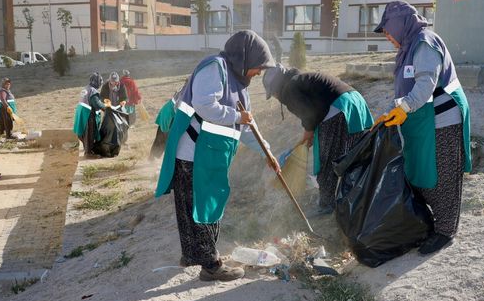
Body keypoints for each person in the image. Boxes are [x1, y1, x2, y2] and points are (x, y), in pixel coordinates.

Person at [155, 30, 281, 282]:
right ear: (245, 58)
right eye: (258, 67)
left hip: (210, 155)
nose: (258, 73)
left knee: (197, 204)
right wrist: (237, 116)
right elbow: (204, 105)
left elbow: (246, 129)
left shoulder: (240, 88)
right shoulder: (216, 68)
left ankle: (194, 254)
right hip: (193, 152)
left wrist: (268, 152)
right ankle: (211, 265)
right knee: (202, 205)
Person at [373, 1, 472, 255]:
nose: (387, 37)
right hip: (422, 119)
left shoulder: (425, 43)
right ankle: (430, 224)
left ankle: (446, 231)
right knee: (420, 171)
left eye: (387, 31)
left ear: (398, 24)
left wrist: (403, 108)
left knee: (442, 174)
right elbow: (406, 87)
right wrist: (390, 112)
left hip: (443, 119)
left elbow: (426, 83)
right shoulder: (408, 47)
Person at [262, 66, 373, 212]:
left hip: (338, 107)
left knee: (326, 158)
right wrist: (309, 134)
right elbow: (315, 108)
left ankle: (327, 205)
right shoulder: (300, 80)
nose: (276, 97)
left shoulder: (289, 89)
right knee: (352, 154)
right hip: (355, 101)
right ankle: (355, 199)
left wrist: (308, 133)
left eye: (273, 93)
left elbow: (311, 115)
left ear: (277, 86)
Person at [73, 72, 105, 157]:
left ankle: (87, 149)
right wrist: (106, 108)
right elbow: (96, 104)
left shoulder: (86, 88)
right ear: (97, 82)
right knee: (89, 133)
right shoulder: (93, 91)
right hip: (87, 114)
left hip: (81, 113)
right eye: (100, 82)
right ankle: (88, 153)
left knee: (84, 133)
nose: (100, 84)